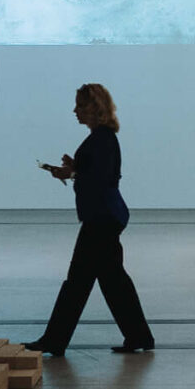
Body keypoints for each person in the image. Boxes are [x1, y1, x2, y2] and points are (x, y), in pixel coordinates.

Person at [27, 82, 156, 356]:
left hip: (101, 219)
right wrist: (75, 168)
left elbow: (101, 179)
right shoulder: (102, 138)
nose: (75, 111)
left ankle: (54, 341)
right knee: (113, 281)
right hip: (105, 216)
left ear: (94, 108)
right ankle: (139, 336)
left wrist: (72, 173)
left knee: (78, 282)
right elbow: (98, 173)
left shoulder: (102, 139)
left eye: (80, 106)